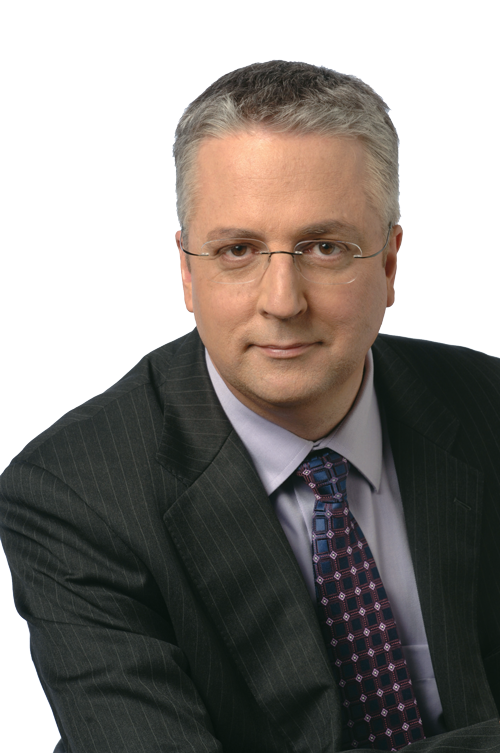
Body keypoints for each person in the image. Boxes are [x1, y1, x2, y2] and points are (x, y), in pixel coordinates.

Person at [1, 60, 499, 753]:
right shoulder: (74, 494)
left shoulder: (487, 408)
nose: (282, 301)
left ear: (389, 263)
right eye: (237, 250)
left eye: (325, 247)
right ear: (187, 270)